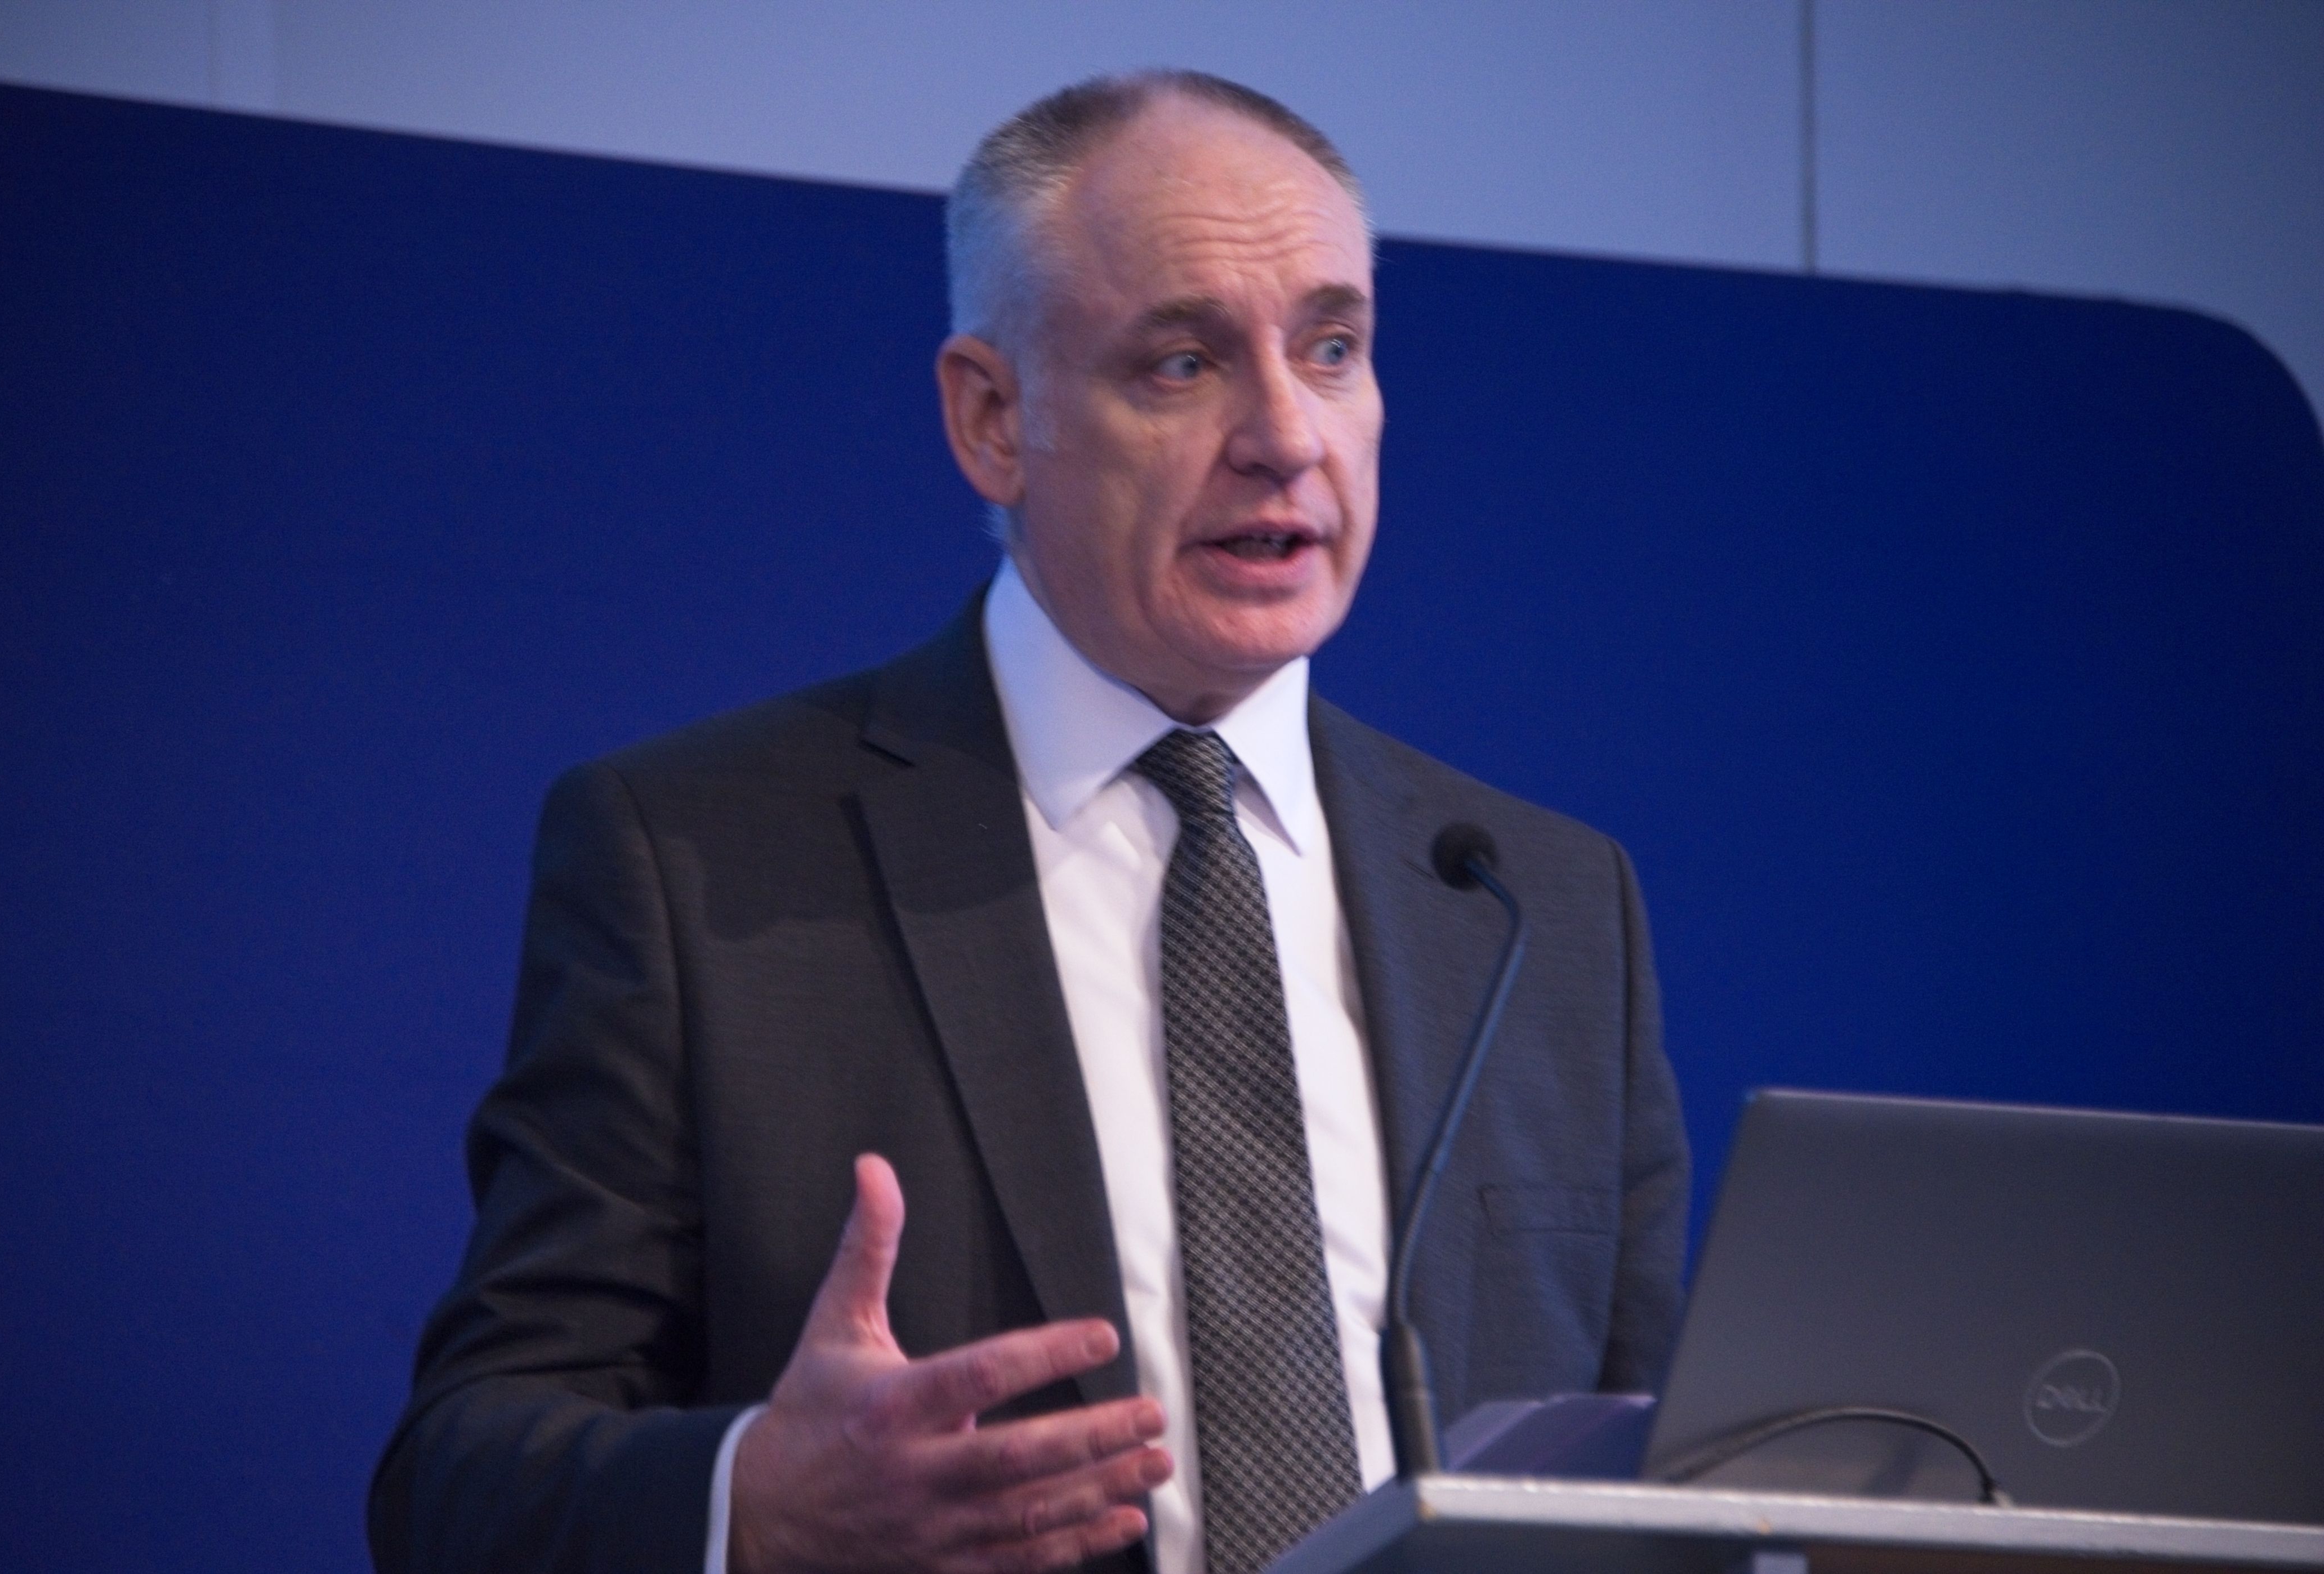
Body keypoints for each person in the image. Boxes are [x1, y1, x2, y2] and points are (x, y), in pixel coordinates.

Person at [369, 70, 1688, 1574]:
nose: (1286, 434)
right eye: (1183, 363)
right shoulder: (697, 863)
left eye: (1332, 349)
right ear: (993, 419)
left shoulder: (1540, 904)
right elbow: (457, 1480)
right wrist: (763, 1501)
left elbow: (1660, 1486)